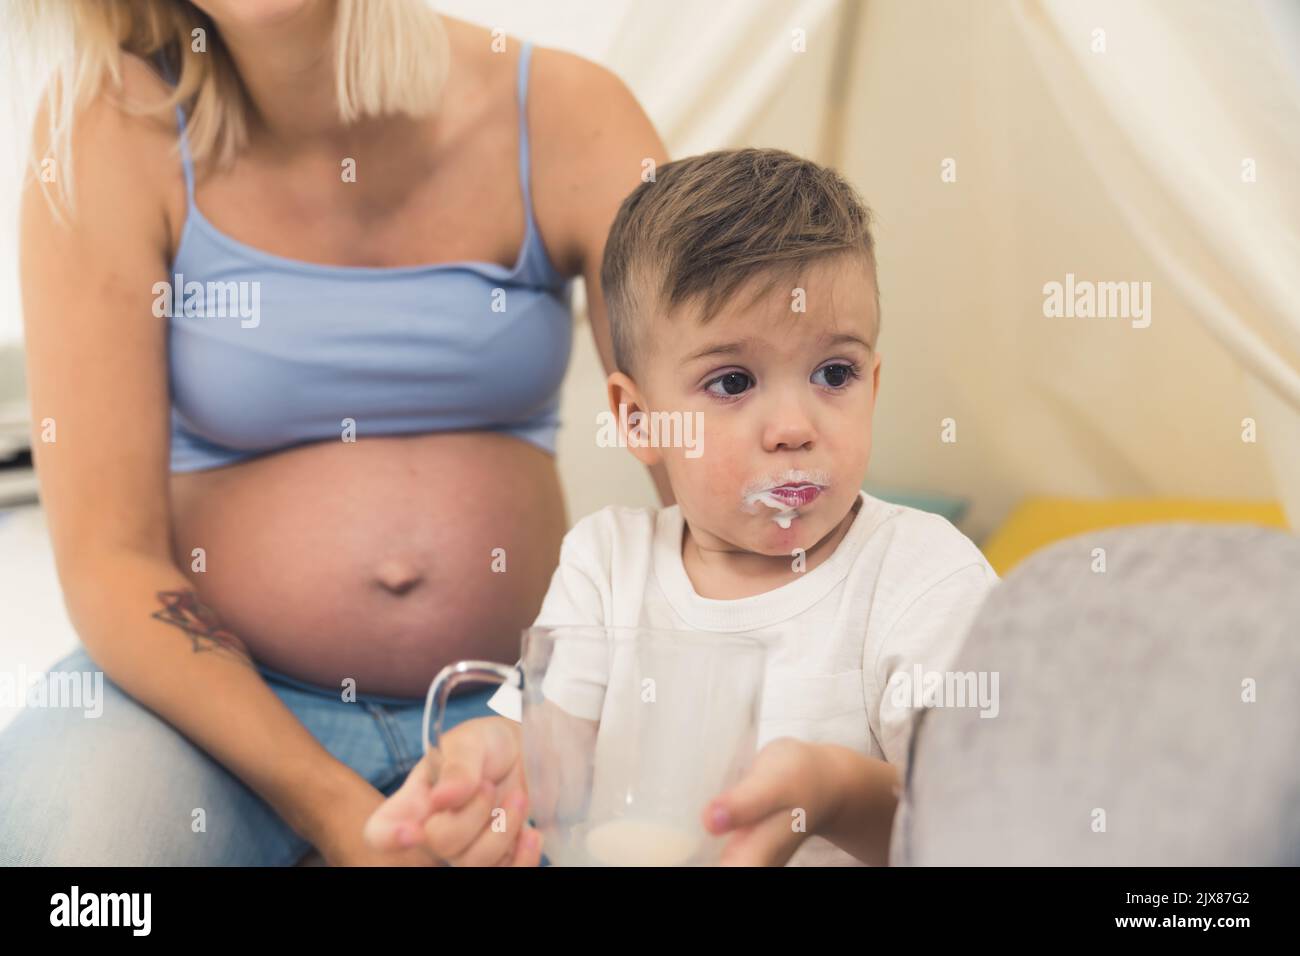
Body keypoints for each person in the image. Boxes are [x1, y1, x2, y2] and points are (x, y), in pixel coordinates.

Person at [1, 0, 667, 865]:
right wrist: (338, 814)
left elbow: (717, 481)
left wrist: (560, 720)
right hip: (213, 714)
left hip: (522, 700)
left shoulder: (572, 114)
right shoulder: (104, 130)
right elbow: (109, 559)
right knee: (86, 871)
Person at [365, 148, 1000, 866]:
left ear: (874, 386)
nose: (794, 426)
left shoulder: (923, 575)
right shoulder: (605, 564)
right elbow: (556, 757)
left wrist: (833, 789)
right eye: (732, 382)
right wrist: (499, 758)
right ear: (638, 420)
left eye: (834, 373)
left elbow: (980, 818)